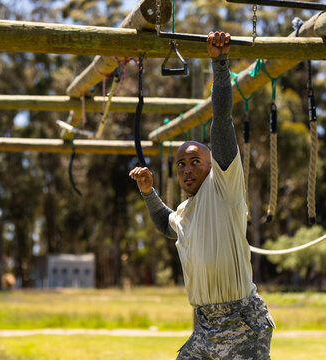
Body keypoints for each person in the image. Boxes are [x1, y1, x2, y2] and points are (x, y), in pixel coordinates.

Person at [129, 32, 275, 359]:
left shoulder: (223, 185)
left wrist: (220, 65)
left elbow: (221, 118)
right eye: (181, 163)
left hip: (241, 323)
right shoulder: (183, 211)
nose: (187, 168)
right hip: (204, 326)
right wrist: (149, 192)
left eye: (196, 161)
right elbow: (166, 224)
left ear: (212, 164)